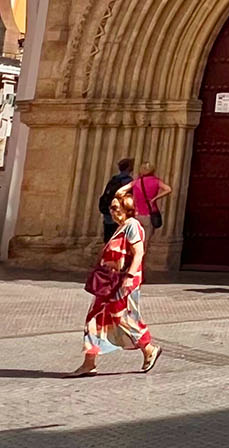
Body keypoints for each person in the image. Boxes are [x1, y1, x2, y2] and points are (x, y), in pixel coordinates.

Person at [74, 192, 161, 376]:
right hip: (109, 283)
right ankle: (89, 363)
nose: (111, 212)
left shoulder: (132, 226)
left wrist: (129, 276)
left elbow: (138, 252)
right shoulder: (121, 227)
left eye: (115, 208)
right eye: (110, 208)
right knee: (94, 319)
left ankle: (149, 348)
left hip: (122, 283)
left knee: (123, 318)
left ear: (126, 208)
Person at [117, 163, 171, 237]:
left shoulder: (136, 182)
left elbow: (120, 191)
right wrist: (155, 198)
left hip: (137, 214)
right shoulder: (156, 181)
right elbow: (168, 189)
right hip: (149, 213)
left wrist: (129, 201)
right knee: (146, 240)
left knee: (136, 239)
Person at [98, 157, 135, 244]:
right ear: (129, 168)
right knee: (119, 241)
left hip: (109, 213)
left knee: (108, 239)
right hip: (121, 214)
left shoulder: (113, 179)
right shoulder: (128, 181)